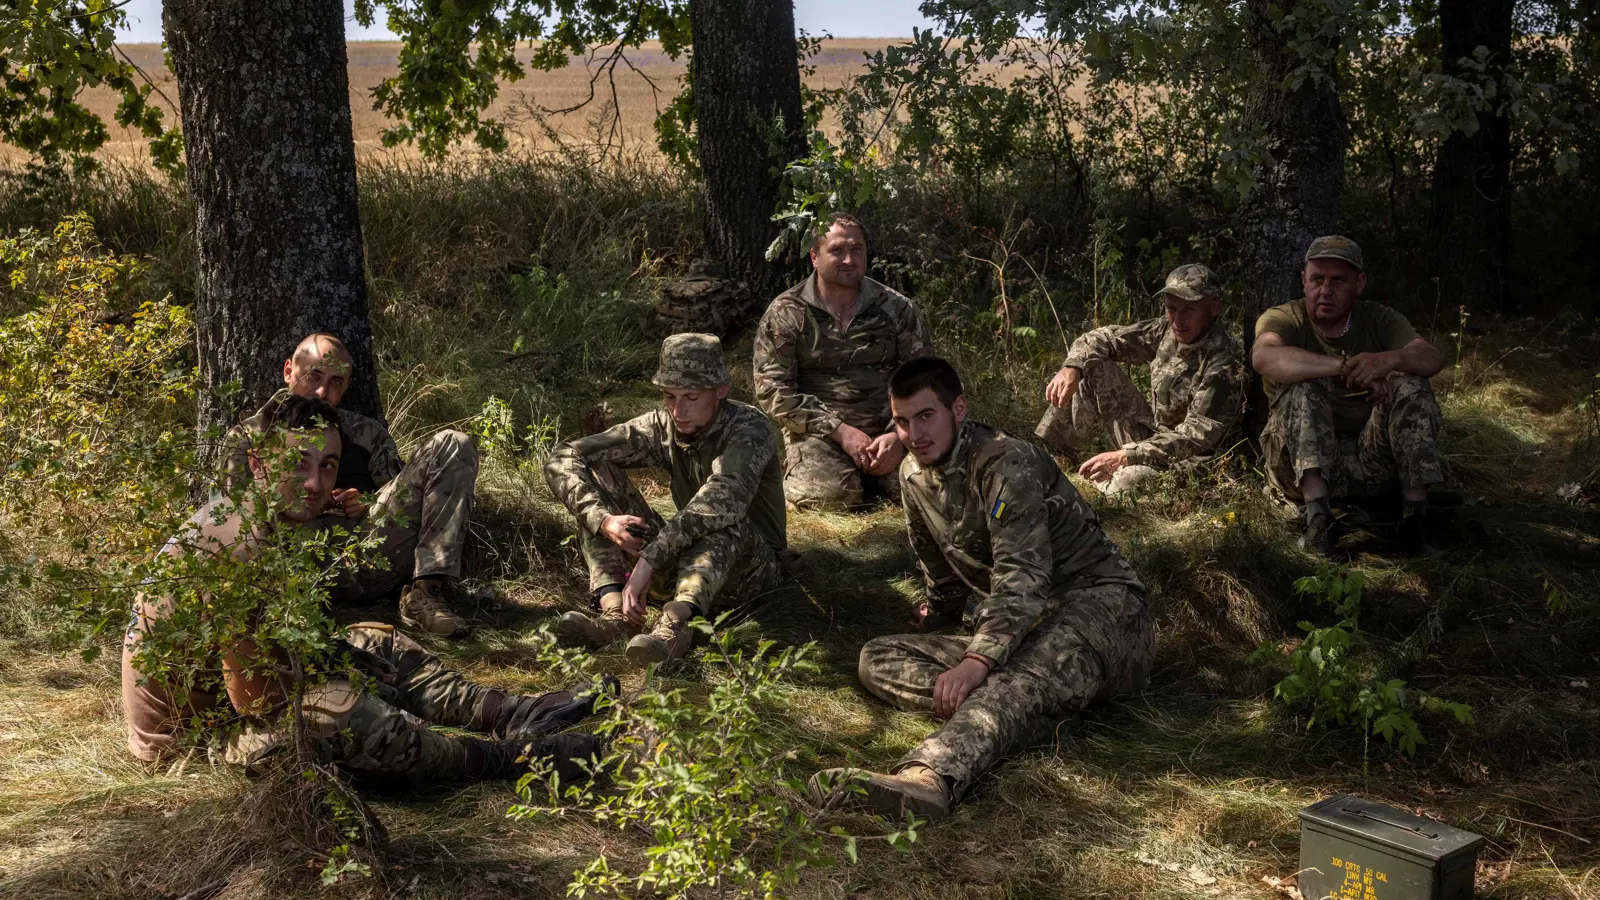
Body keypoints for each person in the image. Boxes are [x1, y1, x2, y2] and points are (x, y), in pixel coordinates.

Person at [124, 394, 609, 782]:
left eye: (327, 465)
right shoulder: (241, 549)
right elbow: (255, 700)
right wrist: (337, 676)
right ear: (257, 465)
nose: (315, 484)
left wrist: (336, 658)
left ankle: (512, 712)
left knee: (373, 644)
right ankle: (506, 759)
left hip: (228, 703)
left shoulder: (254, 518)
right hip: (197, 742)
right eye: (298, 463)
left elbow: (274, 646)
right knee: (343, 712)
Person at [809, 358, 1154, 819]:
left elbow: (1021, 575)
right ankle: (1039, 715)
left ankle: (929, 779)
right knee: (877, 658)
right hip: (1023, 626)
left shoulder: (1007, 462)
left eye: (926, 416)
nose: (914, 434)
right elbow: (941, 571)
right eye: (902, 421)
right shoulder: (913, 475)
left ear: (958, 409)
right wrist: (940, 615)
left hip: (1101, 612)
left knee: (1008, 678)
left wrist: (976, 662)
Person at [543, 334, 787, 666]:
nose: (678, 410)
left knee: (724, 516)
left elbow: (724, 498)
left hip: (751, 570)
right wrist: (604, 521)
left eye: (691, 397)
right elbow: (564, 457)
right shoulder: (663, 425)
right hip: (685, 560)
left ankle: (675, 626)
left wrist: (649, 559)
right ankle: (616, 615)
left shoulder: (748, 428)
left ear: (721, 391)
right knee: (597, 474)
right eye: (670, 397)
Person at [220, 333, 477, 637]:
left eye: (336, 382)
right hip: (296, 557)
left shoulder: (366, 432)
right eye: (314, 376)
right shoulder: (249, 437)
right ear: (289, 371)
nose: (322, 392)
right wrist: (305, 501)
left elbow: (404, 499)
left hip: (369, 551)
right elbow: (235, 515)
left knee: (452, 443)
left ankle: (425, 592)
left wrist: (367, 502)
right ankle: (286, 611)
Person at [1253, 236, 1446, 556]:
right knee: (1303, 386)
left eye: (1338, 281)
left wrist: (1388, 361)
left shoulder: (1377, 318)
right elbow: (1264, 357)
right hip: (1297, 468)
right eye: (1317, 279)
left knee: (1411, 385)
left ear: (1360, 283)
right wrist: (1345, 367)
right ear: (1303, 281)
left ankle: (1413, 521)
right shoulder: (1284, 318)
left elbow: (1431, 358)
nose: (1325, 290)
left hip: (1367, 463)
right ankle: (1318, 521)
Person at [753, 213, 934, 510]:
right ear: (814, 257)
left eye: (856, 249)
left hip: (892, 429)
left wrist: (899, 433)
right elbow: (773, 390)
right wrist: (839, 430)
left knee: (927, 490)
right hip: (821, 434)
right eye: (837, 250)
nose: (849, 259)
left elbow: (923, 378)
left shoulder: (897, 308)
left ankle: (877, 479)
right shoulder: (787, 312)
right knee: (829, 499)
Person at [1036, 263, 1245, 495]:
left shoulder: (1224, 361)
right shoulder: (1165, 330)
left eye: (1189, 310)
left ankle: (1089, 490)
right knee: (1089, 363)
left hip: (1190, 461)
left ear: (1214, 307)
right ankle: (1059, 457)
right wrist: (1072, 366)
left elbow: (1197, 435)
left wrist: (1128, 455)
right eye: (1171, 309)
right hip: (1155, 438)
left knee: (1126, 483)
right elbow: (1104, 338)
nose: (1178, 320)